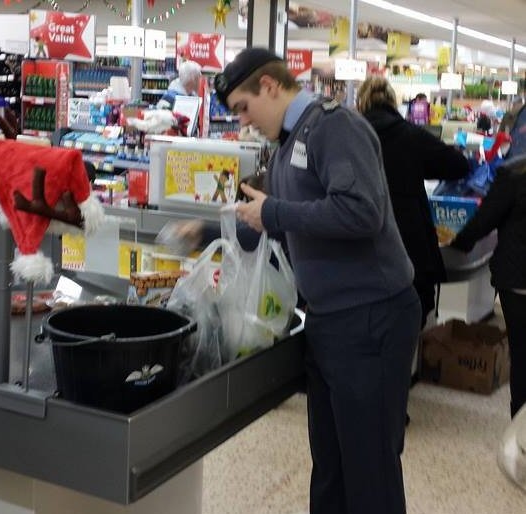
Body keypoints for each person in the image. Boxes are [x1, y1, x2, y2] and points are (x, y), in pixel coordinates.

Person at [214, 47, 421, 514]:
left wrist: (273, 211)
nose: (244, 121)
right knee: (331, 467)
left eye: (244, 107)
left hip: (372, 317)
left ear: (268, 86)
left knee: (370, 470)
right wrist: (210, 232)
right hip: (329, 321)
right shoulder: (290, 144)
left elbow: (361, 211)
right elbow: (284, 219)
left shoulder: (336, 128)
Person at [356, 76, 470, 328]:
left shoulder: (348, 137)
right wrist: (418, 168)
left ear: (361, 103)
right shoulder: (410, 134)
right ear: (392, 103)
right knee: (409, 318)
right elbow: (459, 165)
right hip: (409, 243)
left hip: (360, 241)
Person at [449, 154, 526, 419]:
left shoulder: (514, 174)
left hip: (518, 278)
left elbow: (484, 220)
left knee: (522, 352)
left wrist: (458, 244)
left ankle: (521, 428)